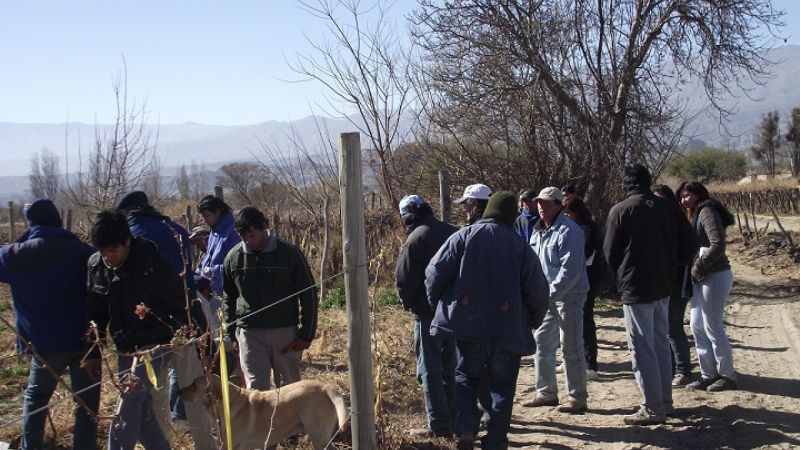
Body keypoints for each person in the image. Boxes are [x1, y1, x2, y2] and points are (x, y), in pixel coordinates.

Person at [426, 191, 549, 450]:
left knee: (466, 378)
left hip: (468, 327)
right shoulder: (520, 246)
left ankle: (467, 429)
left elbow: (434, 273)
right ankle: (495, 440)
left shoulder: (463, 236)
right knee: (502, 389)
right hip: (507, 330)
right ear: (511, 217)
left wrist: (439, 304)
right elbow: (538, 290)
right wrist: (532, 320)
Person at [115, 191, 215, 447]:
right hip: (186, 318)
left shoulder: (127, 238)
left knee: (157, 397)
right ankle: (205, 444)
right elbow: (187, 278)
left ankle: (164, 444)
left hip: (149, 327)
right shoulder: (176, 231)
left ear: (126, 213)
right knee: (193, 387)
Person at [0, 199, 100, 450]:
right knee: (86, 405)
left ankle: (29, 447)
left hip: (43, 345)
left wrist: (22, 239)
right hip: (84, 343)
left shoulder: (15, 255)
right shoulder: (83, 252)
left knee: (37, 400)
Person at [604, 165, 697, 426]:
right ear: (648, 181)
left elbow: (610, 252)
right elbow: (689, 243)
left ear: (626, 184)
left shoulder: (620, 210)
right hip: (664, 284)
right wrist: (674, 265)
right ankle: (665, 402)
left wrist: (622, 276)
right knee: (659, 343)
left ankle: (653, 406)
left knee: (642, 347)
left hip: (636, 288)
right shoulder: (669, 207)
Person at [85, 210, 186, 450]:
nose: (108, 257)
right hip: (125, 346)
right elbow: (95, 313)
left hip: (155, 343)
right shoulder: (96, 266)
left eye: (113, 250)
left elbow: (176, 301)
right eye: (102, 251)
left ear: (126, 242)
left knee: (127, 405)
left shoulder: (150, 260)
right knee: (141, 414)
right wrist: (93, 351)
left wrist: (168, 333)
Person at [222, 206, 317, 390]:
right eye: (243, 237)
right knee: (255, 390)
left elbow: (308, 293)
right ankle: (262, 421)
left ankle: (291, 420)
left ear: (265, 226)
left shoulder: (289, 254)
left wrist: (307, 333)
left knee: (291, 388)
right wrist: (231, 332)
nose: (249, 241)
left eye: (252, 235)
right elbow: (229, 298)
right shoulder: (233, 259)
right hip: (249, 332)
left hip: (284, 332)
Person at [395, 194, 459, 438]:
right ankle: (454, 418)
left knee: (428, 370)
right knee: (450, 367)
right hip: (454, 312)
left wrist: (408, 303)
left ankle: (439, 426)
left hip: (427, 313)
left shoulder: (416, 238)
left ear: (407, 215)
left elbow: (405, 278)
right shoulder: (454, 232)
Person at [524, 186, 590, 414]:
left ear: (558, 205)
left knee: (570, 346)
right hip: (547, 297)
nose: (541, 207)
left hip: (568, 296)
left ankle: (577, 397)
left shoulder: (569, 231)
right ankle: (546, 392)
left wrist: (549, 293)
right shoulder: (537, 231)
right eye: (539, 203)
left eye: (546, 203)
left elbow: (570, 271)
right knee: (541, 343)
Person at [678, 181, 738, 392]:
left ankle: (726, 374)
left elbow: (717, 244)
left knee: (712, 326)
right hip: (703, 277)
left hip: (715, 275)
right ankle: (708, 374)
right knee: (697, 326)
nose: (684, 200)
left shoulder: (707, 211)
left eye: (687, 196)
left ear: (698, 194)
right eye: (682, 197)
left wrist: (697, 267)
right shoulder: (696, 212)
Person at [653, 184, 694, 387]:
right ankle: (669, 368)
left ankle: (683, 369)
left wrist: (675, 263)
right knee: (663, 327)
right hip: (662, 281)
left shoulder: (678, 222)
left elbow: (689, 250)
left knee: (673, 325)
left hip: (677, 281)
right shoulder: (659, 222)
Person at [562, 196, 603, 381]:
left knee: (585, 321)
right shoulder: (581, 226)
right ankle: (572, 359)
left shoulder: (586, 228)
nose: (566, 216)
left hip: (587, 280)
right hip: (579, 279)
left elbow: (583, 252)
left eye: (567, 212)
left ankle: (590, 364)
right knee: (575, 322)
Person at [197, 195, 241, 294]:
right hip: (211, 289)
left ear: (217, 212)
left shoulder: (233, 233)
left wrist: (213, 271)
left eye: (206, 216)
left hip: (228, 292)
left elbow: (237, 267)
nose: (204, 220)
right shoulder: (214, 229)